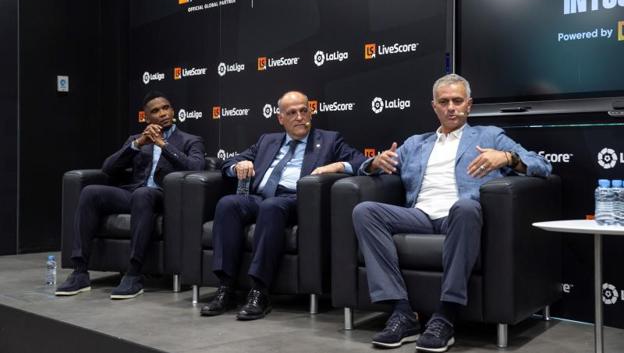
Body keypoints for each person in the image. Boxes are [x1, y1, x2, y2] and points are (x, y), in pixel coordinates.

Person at [352, 74, 551, 352]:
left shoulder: (489, 135)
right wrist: (374, 163)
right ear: (434, 106)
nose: (451, 108)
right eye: (444, 102)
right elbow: (369, 166)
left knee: (466, 207)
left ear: (469, 105)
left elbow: (541, 165)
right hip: (420, 216)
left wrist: (507, 158)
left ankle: (446, 314)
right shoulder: (415, 144)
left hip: (460, 216)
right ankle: (401, 312)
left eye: (457, 101)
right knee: (365, 211)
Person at [201, 90, 366, 320]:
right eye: (292, 113)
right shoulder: (267, 140)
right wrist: (239, 165)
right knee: (228, 204)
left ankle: (259, 290)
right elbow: (228, 162)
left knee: (273, 207)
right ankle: (225, 288)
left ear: (310, 112)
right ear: (281, 118)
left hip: (294, 200)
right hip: (259, 196)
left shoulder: (329, 140)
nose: (299, 117)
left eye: (303, 111)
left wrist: (336, 166)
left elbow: (359, 161)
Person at [55, 90, 206, 299]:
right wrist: (137, 145)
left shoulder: (190, 140)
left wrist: (164, 145)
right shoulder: (137, 139)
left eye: (166, 108)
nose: (162, 113)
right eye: (155, 111)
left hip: (163, 197)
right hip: (133, 194)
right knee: (90, 192)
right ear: (146, 117)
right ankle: (79, 272)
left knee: (143, 194)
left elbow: (196, 167)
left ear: (172, 110)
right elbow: (108, 169)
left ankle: (134, 274)